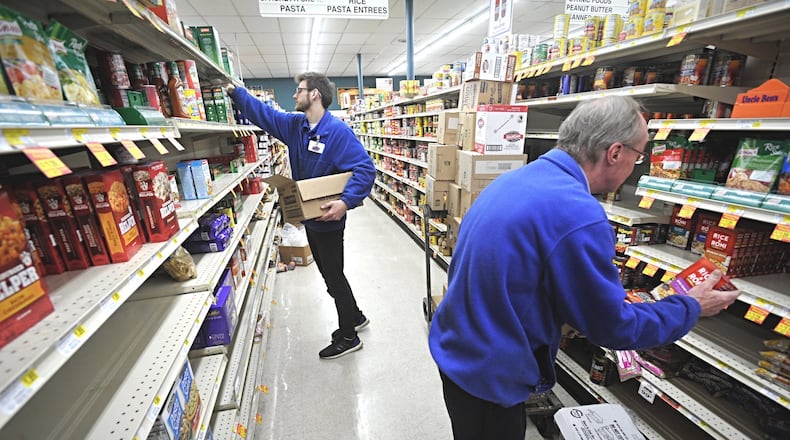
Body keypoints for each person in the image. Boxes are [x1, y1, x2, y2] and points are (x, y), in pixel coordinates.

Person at [428, 95, 741, 439]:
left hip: (461, 351)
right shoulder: (576, 212)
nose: (636, 165)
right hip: (488, 375)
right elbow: (611, 328)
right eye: (639, 155)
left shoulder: (519, 179)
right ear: (616, 152)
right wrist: (690, 306)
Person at [227, 73, 375, 359]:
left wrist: (345, 202)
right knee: (332, 275)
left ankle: (349, 336)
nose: (294, 96)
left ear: (315, 95)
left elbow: (365, 169)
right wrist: (237, 93)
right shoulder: (297, 126)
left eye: (299, 90)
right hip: (310, 219)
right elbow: (266, 115)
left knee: (333, 277)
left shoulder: (338, 132)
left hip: (329, 221)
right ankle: (354, 316)